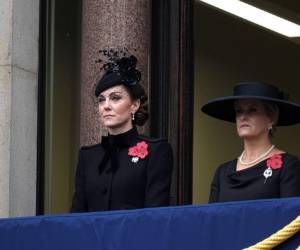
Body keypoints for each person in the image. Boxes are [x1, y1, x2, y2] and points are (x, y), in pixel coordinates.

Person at [71, 50, 173, 212]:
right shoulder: (88, 157)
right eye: (101, 100)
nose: (106, 106)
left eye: (115, 98)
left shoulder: (156, 151)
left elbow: (155, 216)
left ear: (135, 105)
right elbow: (77, 218)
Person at [201, 81, 300, 203]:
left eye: (253, 110)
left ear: (272, 118)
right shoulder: (222, 172)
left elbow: (291, 217)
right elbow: (213, 218)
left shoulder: (288, 166)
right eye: (239, 111)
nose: (243, 116)